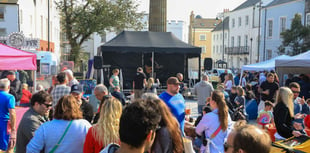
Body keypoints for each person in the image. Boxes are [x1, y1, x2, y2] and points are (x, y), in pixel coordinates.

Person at [27, 95, 91, 153]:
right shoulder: (85, 125)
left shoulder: (46, 127)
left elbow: (31, 149)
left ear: (57, 108)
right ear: (77, 108)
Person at [0, 79, 16, 153]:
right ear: (8, 87)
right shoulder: (10, 97)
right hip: (4, 124)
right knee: (9, 147)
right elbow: (12, 113)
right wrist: (13, 129)